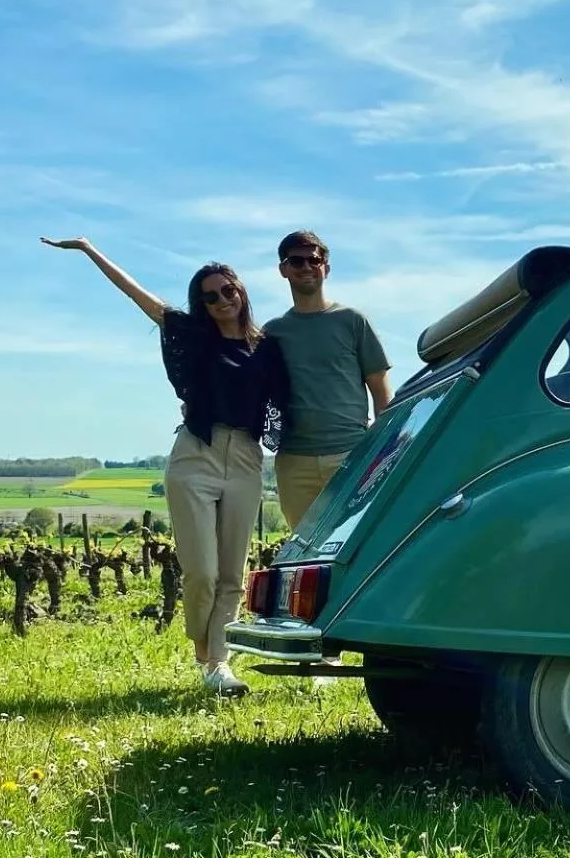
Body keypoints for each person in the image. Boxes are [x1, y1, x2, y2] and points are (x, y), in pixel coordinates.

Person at [40, 237, 291, 696]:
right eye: (209, 296)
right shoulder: (194, 336)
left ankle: (218, 663)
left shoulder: (268, 347)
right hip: (195, 454)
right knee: (202, 572)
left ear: (241, 291)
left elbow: (298, 391)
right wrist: (89, 249)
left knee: (234, 573)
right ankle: (205, 649)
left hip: (246, 459)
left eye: (226, 291)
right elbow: (142, 298)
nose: (219, 301)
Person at [263, 230, 392, 531]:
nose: (307, 267)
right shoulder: (272, 333)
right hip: (294, 462)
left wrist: (381, 450)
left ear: (326, 268)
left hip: (351, 455)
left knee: (358, 543)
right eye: (297, 261)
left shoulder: (353, 321)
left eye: (314, 260)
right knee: (305, 552)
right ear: (283, 269)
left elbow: (382, 393)